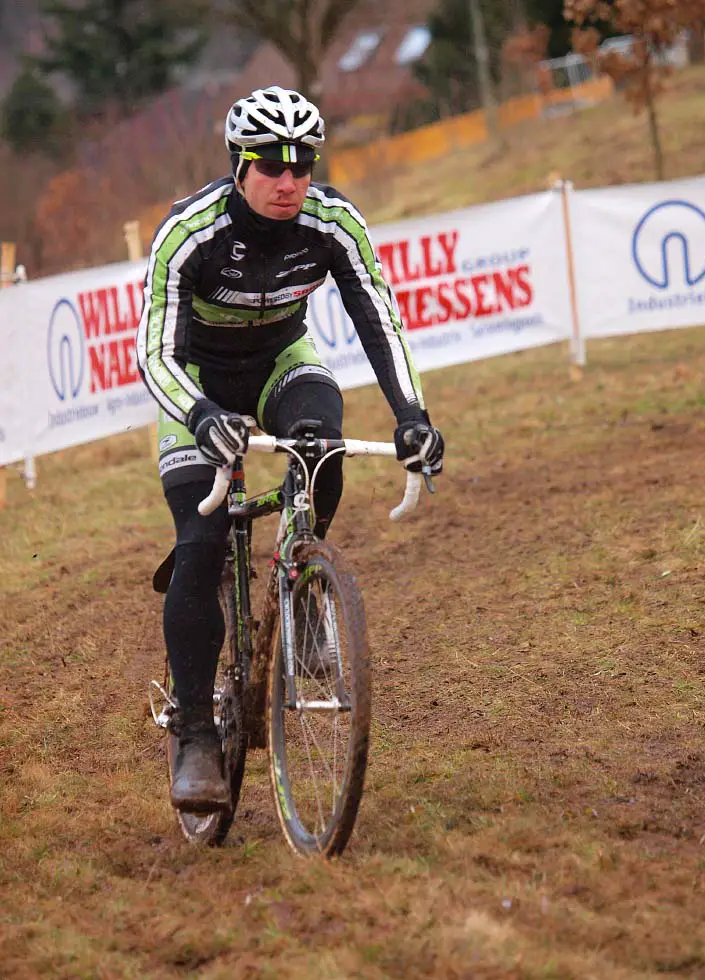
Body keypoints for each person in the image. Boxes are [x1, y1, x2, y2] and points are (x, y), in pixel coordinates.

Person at [136, 85, 444, 813]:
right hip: (198, 385)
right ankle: (194, 735)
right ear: (239, 166)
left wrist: (411, 415)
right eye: (271, 166)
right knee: (203, 542)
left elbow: (379, 317)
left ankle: (304, 588)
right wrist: (201, 412)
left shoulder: (330, 221)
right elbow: (153, 352)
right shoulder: (192, 231)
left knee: (322, 440)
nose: (289, 181)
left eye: (302, 165)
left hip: (279, 363)